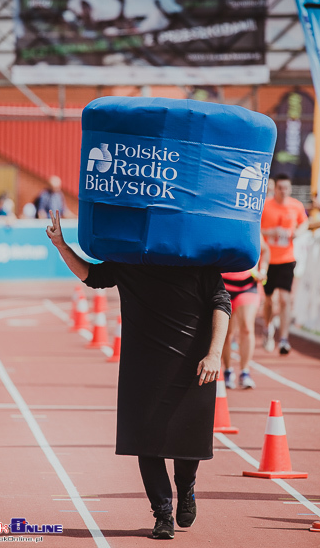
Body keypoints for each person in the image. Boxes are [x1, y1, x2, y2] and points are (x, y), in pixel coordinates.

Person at [46, 209, 231, 540]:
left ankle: (186, 486)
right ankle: (162, 513)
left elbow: (221, 303)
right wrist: (61, 244)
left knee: (188, 444)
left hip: (195, 365)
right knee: (146, 443)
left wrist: (215, 353)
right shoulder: (132, 260)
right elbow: (91, 276)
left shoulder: (198, 261)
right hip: (143, 367)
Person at [261, 173, 309, 354]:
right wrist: (270, 231)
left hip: (287, 259)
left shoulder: (296, 206)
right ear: (275, 189)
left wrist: (298, 231)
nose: (283, 191)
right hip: (268, 260)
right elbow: (256, 229)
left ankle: (283, 339)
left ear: (289, 189)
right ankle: (267, 328)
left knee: (285, 299)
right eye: (280, 188)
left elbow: (305, 223)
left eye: (286, 188)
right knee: (268, 301)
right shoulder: (265, 206)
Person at [221, 234, 270, 389]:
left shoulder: (251, 226)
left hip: (248, 285)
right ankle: (228, 371)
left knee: (247, 328)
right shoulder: (224, 225)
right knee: (227, 333)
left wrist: (263, 270)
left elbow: (266, 250)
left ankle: (245, 372)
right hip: (224, 285)